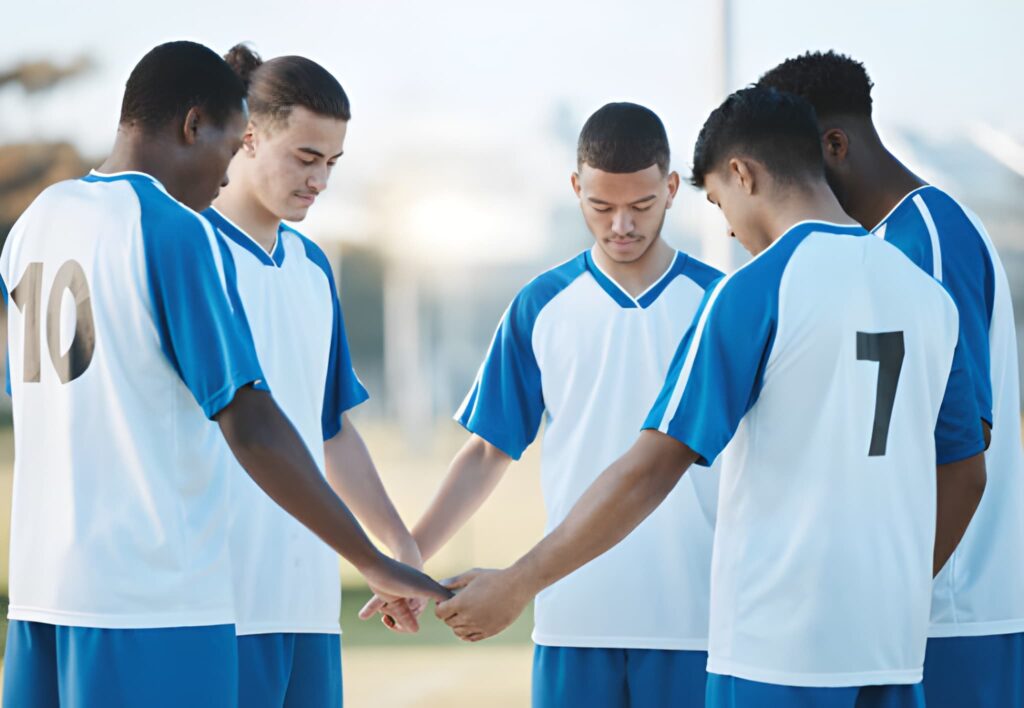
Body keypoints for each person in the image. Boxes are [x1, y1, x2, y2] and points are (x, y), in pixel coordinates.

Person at [436, 87, 987, 708]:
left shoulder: (753, 290)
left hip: (776, 652)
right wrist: (901, 592)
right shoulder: (928, 297)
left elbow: (650, 469)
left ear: (742, 174)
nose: (726, 224)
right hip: (890, 653)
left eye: (720, 200)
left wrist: (518, 582)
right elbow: (966, 473)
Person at [0, 40, 446, 708]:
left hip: (46, 595)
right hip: (156, 602)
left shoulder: (36, 223)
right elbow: (253, 424)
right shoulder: (174, 230)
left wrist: (395, 548)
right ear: (195, 127)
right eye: (232, 142)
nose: (228, 164)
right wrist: (375, 560)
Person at [365, 102, 722, 706]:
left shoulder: (721, 304)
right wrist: (409, 567)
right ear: (576, 188)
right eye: (601, 207)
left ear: (670, 188)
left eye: (640, 207)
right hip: (571, 623)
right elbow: (485, 452)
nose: (621, 226)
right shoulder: (542, 304)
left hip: (699, 624)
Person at [757, 51, 1023, 707]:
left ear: (835, 146)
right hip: (911, 612)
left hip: (953, 617)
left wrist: (887, 601)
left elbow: (963, 445)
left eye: (791, 171)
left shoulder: (928, 239)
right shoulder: (881, 244)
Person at [206, 44, 424, 707]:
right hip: (214, 605)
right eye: (306, 158)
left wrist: (398, 547)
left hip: (306, 608)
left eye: (331, 163)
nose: (320, 180)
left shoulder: (311, 267)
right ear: (247, 136)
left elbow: (330, 431)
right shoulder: (189, 250)